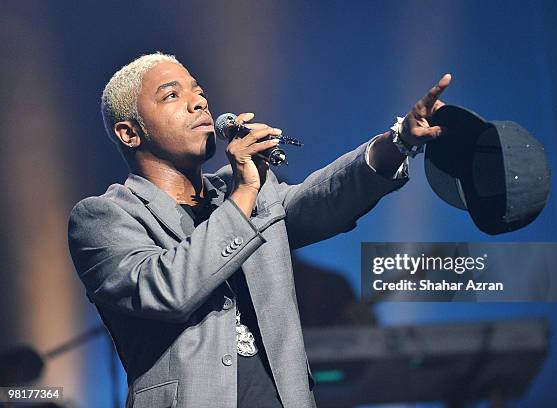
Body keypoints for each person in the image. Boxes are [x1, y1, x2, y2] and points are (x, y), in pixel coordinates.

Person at [67, 52, 451, 408]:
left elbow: (325, 198)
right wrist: (245, 191)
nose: (199, 102)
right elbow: (167, 290)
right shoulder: (104, 217)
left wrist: (398, 142)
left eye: (199, 92)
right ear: (129, 133)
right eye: (172, 95)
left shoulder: (243, 194)